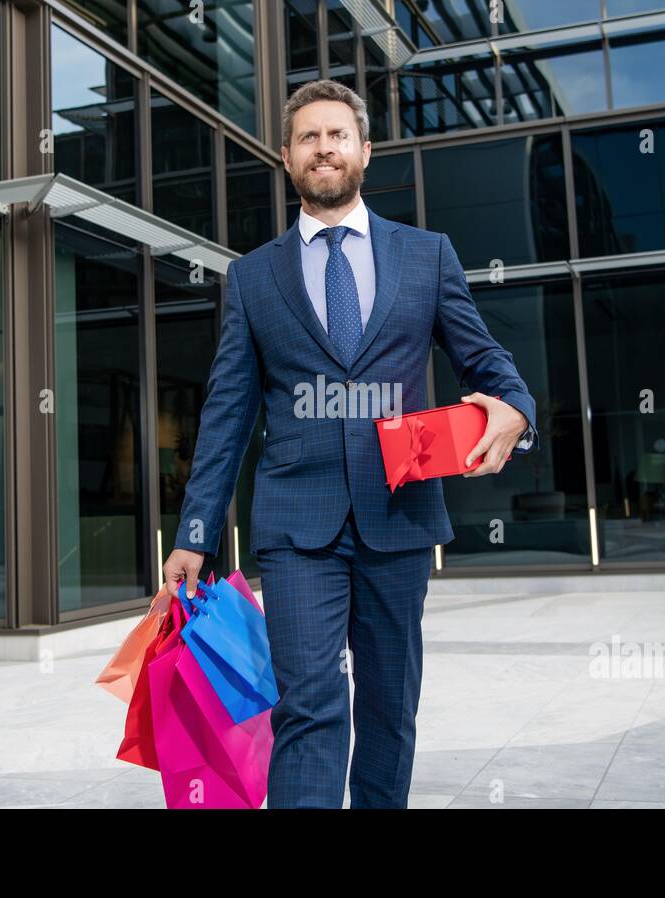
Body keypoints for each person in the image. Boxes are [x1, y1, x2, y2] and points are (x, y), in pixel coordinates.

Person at [161, 79, 537, 809]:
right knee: (309, 703)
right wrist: (196, 531)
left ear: (365, 151)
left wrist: (517, 408)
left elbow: (485, 362)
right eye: (309, 137)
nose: (324, 147)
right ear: (286, 157)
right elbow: (228, 413)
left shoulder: (426, 257)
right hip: (297, 529)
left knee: (391, 709)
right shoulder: (252, 277)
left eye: (337, 135)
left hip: (398, 518)